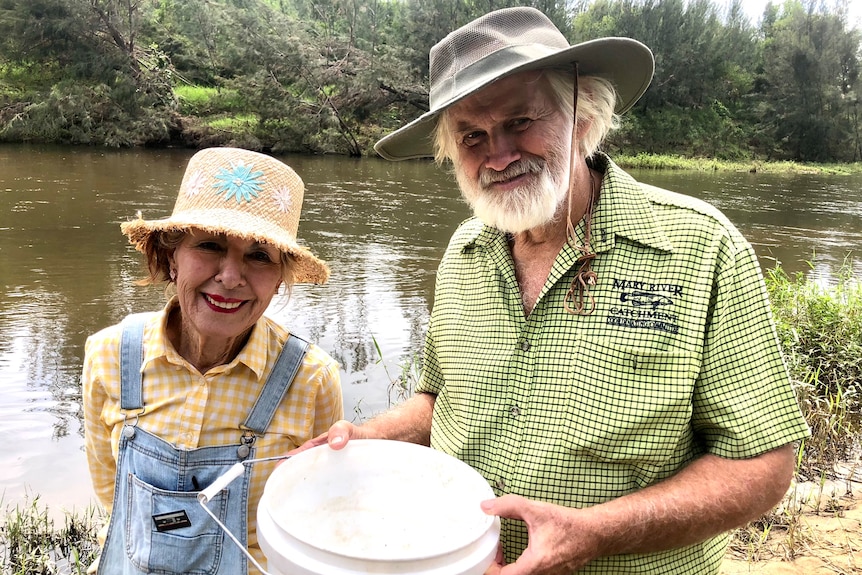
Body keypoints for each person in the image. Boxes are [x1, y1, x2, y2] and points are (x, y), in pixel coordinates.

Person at [299, 7, 810, 575]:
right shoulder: (463, 253)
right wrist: (365, 439)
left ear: (583, 116)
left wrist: (592, 534)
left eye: (520, 122)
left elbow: (763, 464)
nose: (498, 154)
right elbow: (440, 402)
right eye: (472, 135)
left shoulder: (702, 248)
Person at [83, 147, 343, 575]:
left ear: (279, 279)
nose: (230, 276)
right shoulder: (111, 355)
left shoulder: (311, 379)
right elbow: (110, 494)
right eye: (209, 245)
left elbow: (318, 516)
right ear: (171, 257)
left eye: (260, 255)